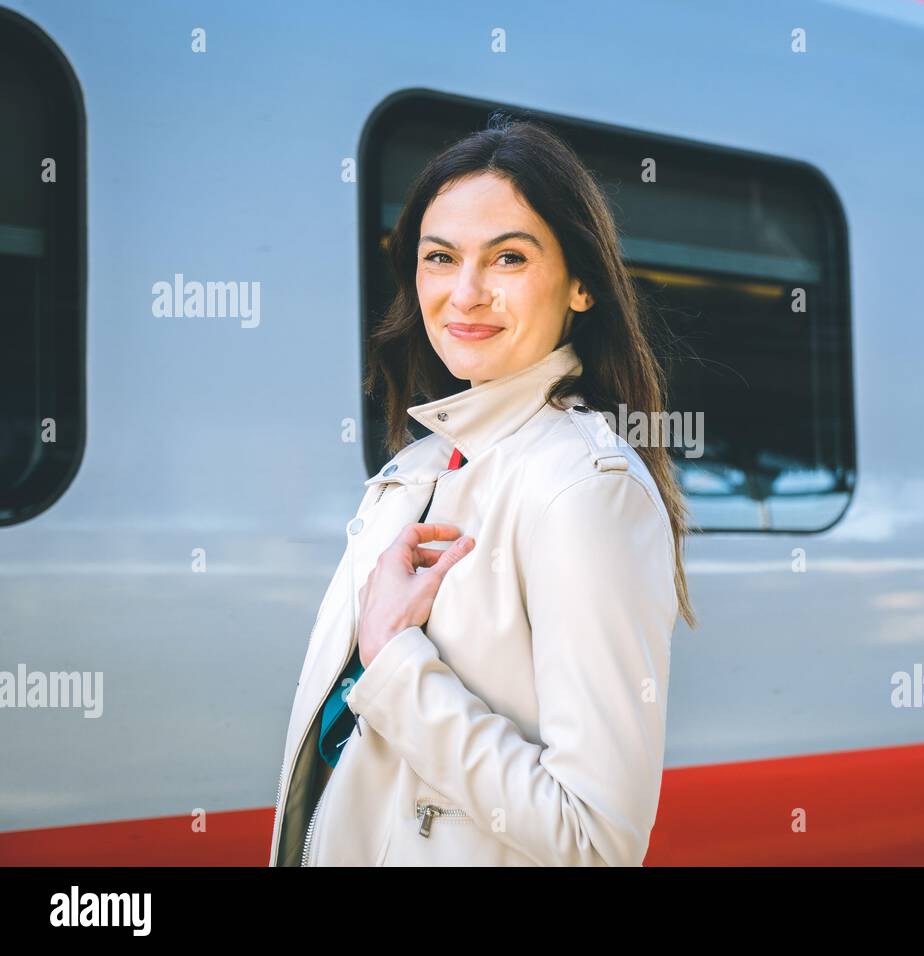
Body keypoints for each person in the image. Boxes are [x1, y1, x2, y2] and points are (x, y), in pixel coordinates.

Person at [268, 112, 696, 866]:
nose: (464, 293)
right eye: (440, 258)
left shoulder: (584, 489)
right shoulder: (415, 473)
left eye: (507, 259)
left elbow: (596, 840)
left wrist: (396, 662)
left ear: (582, 285)